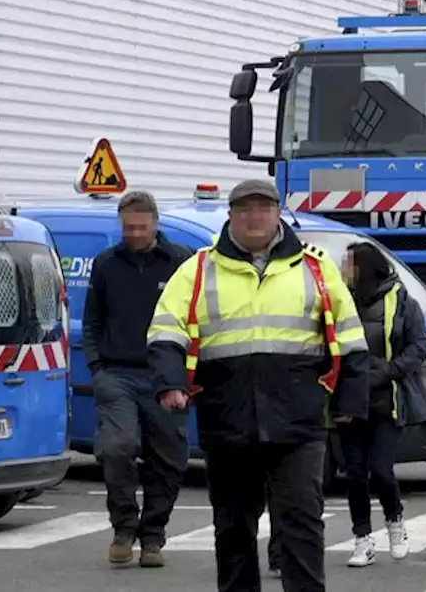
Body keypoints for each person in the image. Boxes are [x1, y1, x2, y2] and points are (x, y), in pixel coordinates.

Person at [147, 179, 370, 592]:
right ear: (230, 215)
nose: (255, 217)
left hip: (299, 422)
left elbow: (351, 337)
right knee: (233, 529)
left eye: (263, 208)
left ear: (277, 214)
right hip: (227, 419)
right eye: (245, 209)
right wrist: (170, 382)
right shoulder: (196, 270)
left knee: (301, 524)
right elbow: (165, 332)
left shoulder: (316, 269)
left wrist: (351, 398)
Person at [82, 190, 193, 567]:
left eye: (141, 227)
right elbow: (92, 320)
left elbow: (195, 320)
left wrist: (186, 373)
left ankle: (153, 537)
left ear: (155, 224)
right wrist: (97, 368)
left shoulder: (182, 262)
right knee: (117, 447)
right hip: (116, 373)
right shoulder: (106, 264)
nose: (134, 234)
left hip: (166, 375)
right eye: (128, 227)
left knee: (168, 460)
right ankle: (123, 526)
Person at [339, 241, 426, 567]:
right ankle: (362, 540)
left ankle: (395, 522)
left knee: (381, 471)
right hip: (350, 402)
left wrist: (388, 372)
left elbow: (420, 345)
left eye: (347, 264)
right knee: (354, 474)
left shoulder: (403, 302)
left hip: (387, 400)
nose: (342, 270)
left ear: (363, 268)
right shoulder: (341, 302)